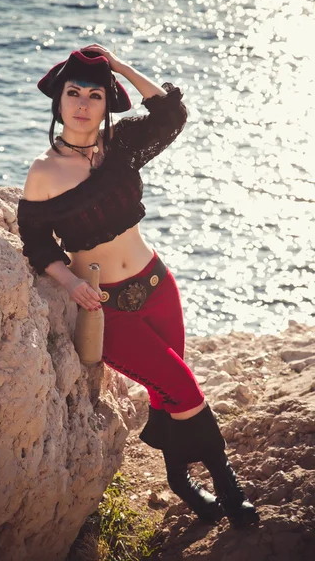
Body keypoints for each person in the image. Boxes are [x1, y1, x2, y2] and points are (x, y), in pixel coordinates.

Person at [16, 43, 260, 528]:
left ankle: (177, 477)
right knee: (184, 387)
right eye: (74, 93)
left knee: (168, 392)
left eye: (95, 94)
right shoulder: (43, 173)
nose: (83, 104)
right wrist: (69, 284)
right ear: (58, 101)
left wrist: (120, 66)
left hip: (157, 284)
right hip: (108, 307)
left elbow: (171, 113)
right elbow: (37, 245)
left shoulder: (121, 146)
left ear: (107, 102)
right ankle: (230, 490)